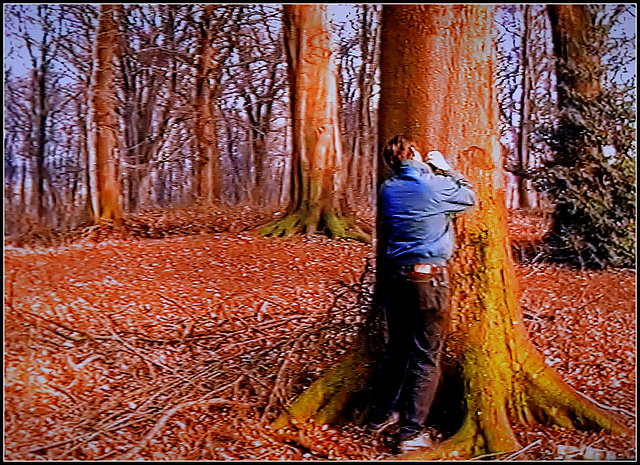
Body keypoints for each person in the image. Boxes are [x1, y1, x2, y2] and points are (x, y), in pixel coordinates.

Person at [369, 135, 475, 453]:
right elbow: (469, 197)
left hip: (395, 280)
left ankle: (380, 415)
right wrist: (445, 169)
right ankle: (412, 432)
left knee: (397, 350)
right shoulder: (433, 186)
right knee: (426, 356)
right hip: (428, 281)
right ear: (414, 153)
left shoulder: (387, 189)